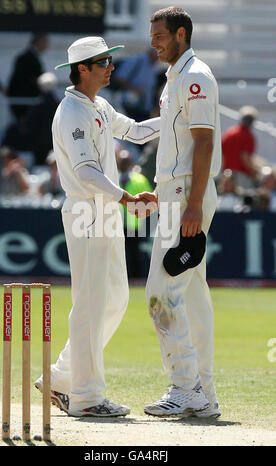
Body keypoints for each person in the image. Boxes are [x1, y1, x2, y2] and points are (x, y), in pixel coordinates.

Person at [34, 36, 160, 417]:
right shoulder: (70, 113)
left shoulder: (100, 105)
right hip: (88, 210)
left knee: (115, 300)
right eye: (103, 61)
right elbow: (87, 171)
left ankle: (61, 376)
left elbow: (136, 131)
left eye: (110, 60)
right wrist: (128, 199)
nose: (111, 67)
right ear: (82, 69)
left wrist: (174, 118)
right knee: (89, 303)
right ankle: (86, 397)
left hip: (104, 211)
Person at [136, 7, 222, 418]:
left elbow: (203, 145)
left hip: (188, 194)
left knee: (160, 294)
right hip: (178, 192)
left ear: (181, 33)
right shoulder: (176, 78)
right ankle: (203, 392)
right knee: (192, 295)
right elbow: (180, 141)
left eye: (159, 35)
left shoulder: (194, 77)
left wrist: (190, 203)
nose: (153, 42)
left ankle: (185, 387)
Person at [116, 148, 153, 278]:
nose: (123, 164)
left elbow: (150, 197)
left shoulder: (139, 179)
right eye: (122, 161)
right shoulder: (112, 178)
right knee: (117, 255)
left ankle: (135, 279)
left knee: (134, 254)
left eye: (125, 161)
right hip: (115, 223)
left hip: (133, 223)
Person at [7, 33, 49, 120]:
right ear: (39, 43)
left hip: (24, 100)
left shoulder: (27, 56)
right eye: (45, 43)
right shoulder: (27, 57)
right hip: (24, 101)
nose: (47, 46)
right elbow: (24, 80)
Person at [113, 48, 159, 121]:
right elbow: (118, 78)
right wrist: (134, 89)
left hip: (145, 109)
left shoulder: (153, 66)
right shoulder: (136, 61)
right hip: (130, 106)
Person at [26, 72, 59, 166]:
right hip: (54, 143)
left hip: (38, 145)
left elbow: (30, 125)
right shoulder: (58, 105)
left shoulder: (36, 105)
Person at [222, 106, 258, 189]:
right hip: (241, 176)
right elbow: (245, 157)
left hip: (226, 175)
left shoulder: (229, 133)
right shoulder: (248, 136)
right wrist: (253, 173)